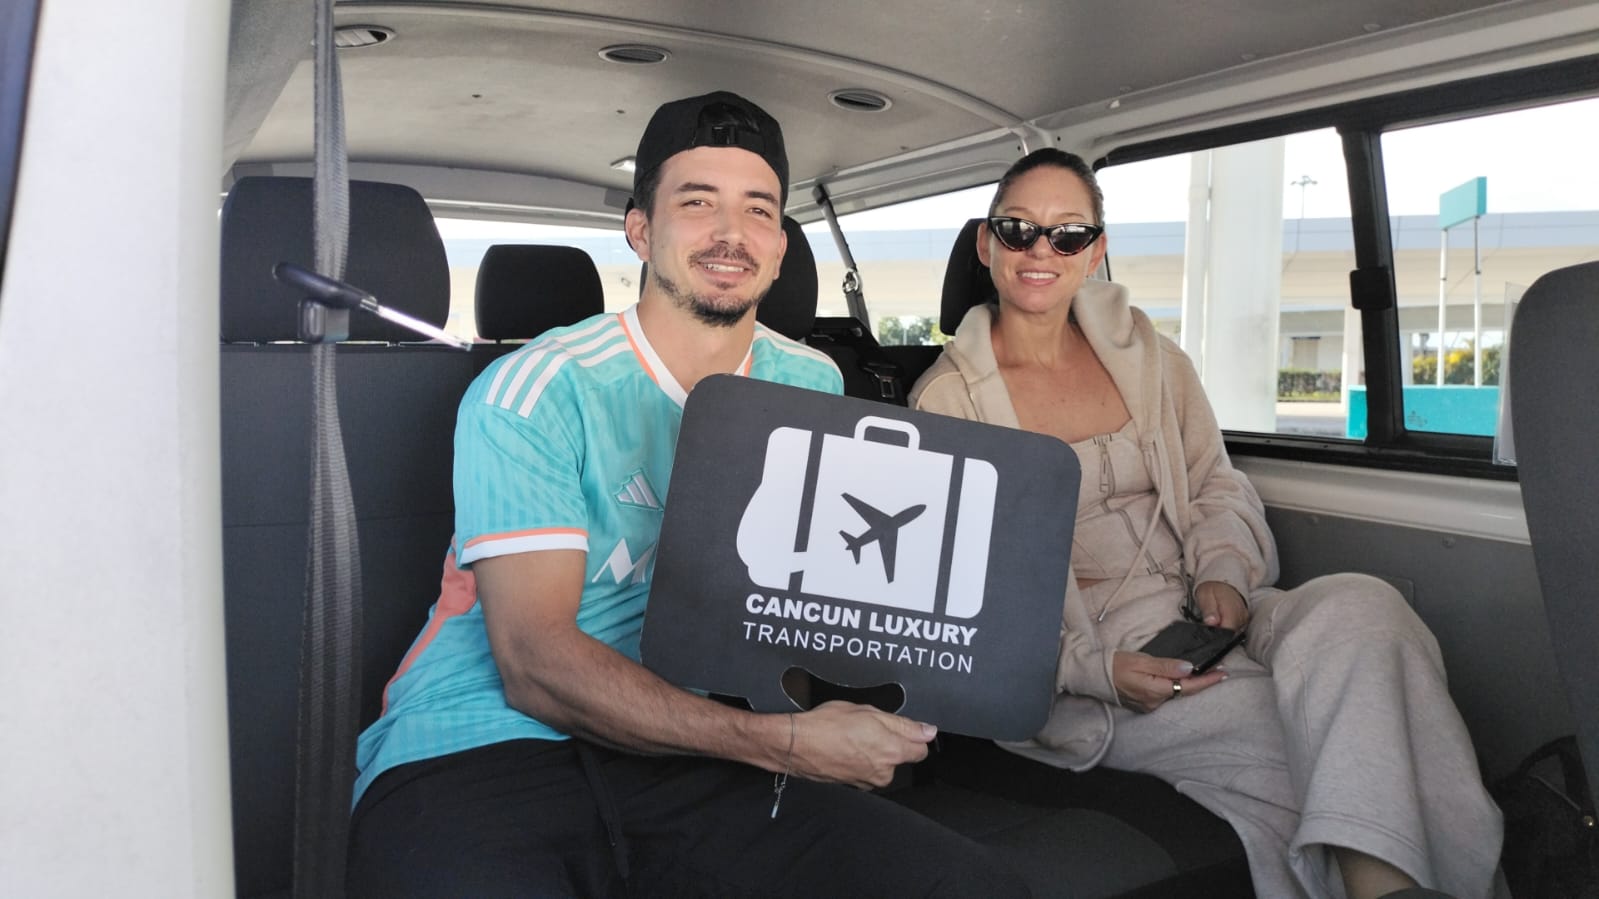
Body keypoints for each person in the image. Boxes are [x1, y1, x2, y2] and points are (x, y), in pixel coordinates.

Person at [346, 91, 1028, 898]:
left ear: (778, 246)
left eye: (757, 210)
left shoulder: (810, 381)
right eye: (697, 203)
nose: (729, 234)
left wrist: (916, 673)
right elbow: (535, 664)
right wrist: (782, 744)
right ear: (641, 230)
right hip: (477, 750)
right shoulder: (536, 389)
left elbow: (815, 599)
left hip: (694, 754)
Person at [910, 148, 1504, 899]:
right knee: (1305, 731)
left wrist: (1223, 569)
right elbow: (961, 601)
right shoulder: (947, 402)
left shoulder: (1151, 357)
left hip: (1213, 608)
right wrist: (1094, 672)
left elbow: (1215, 484)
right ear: (985, 243)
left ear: (1094, 250)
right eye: (1018, 229)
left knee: (1365, 606)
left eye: (1066, 234)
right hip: (1100, 659)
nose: (1040, 250)